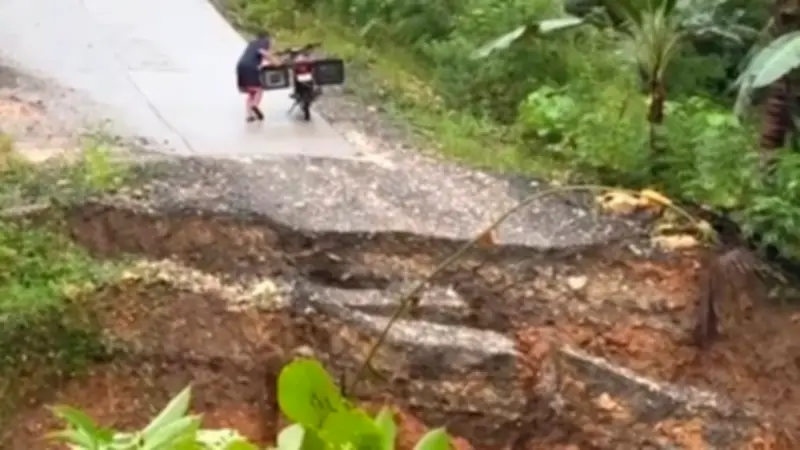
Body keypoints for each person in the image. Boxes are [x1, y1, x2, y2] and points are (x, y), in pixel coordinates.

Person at [236, 31, 281, 122]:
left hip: (240, 66)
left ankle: (249, 115)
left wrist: (268, 62)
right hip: (251, 67)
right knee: (258, 90)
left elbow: (256, 56)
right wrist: (275, 62)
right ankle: (255, 105)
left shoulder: (253, 43)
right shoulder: (264, 42)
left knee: (251, 92)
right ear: (268, 38)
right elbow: (263, 52)